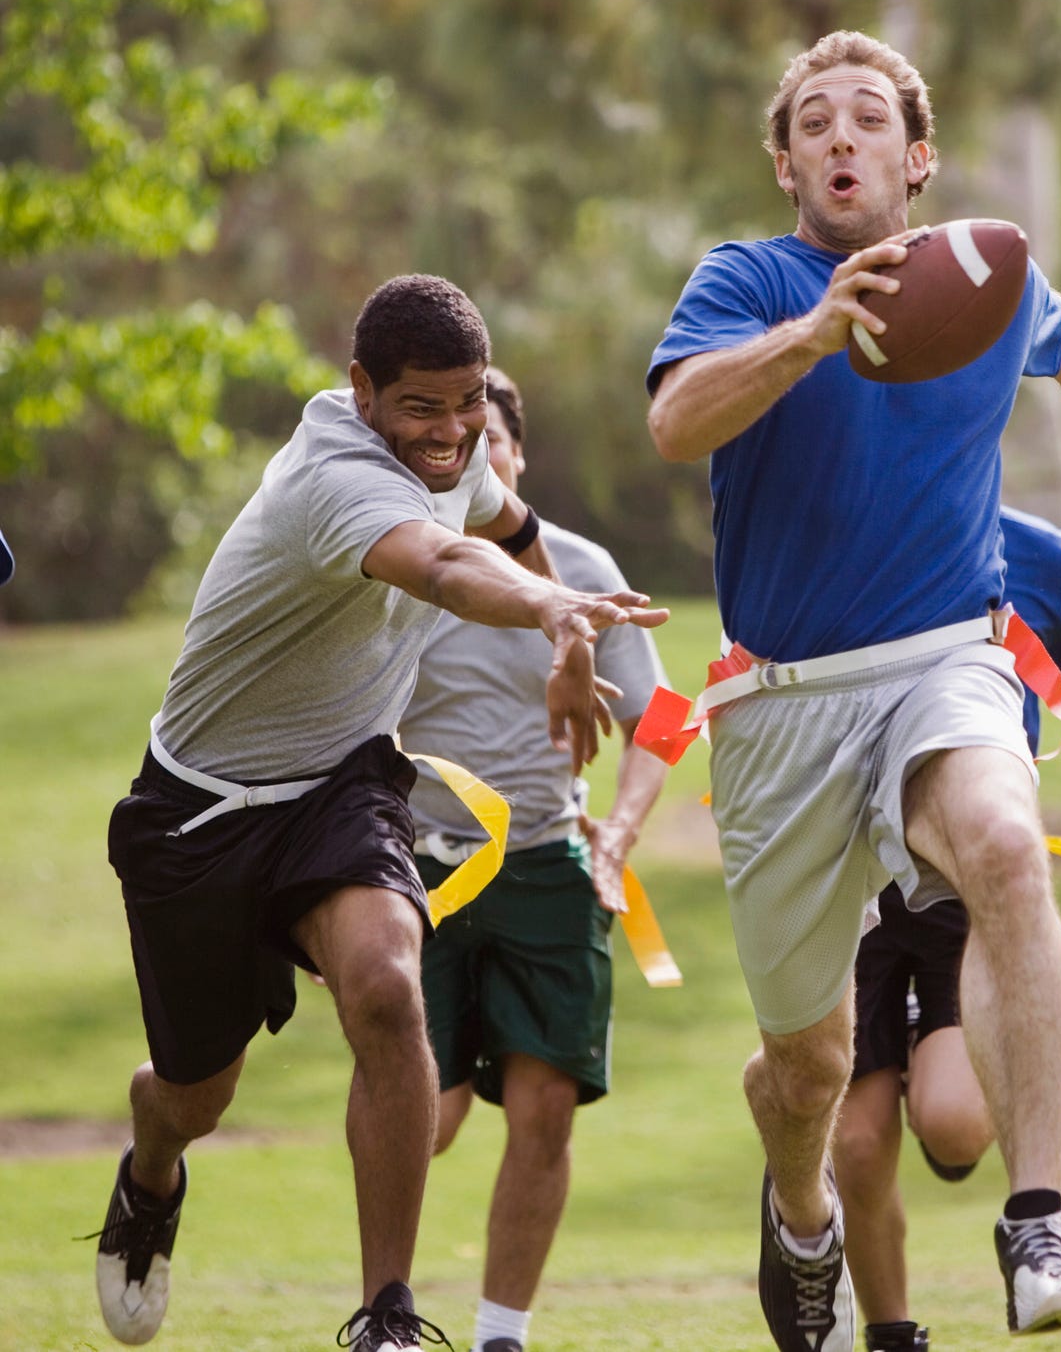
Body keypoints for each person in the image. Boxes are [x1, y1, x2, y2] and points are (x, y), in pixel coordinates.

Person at [644, 30, 1061, 1349]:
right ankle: (799, 1211)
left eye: (867, 118)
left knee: (1004, 848)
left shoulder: (986, 277)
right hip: (778, 706)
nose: (840, 137)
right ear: (785, 166)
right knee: (808, 1065)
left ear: (915, 155)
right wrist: (810, 337)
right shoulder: (746, 281)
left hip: (943, 657)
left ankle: (1040, 1216)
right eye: (813, 123)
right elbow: (675, 422)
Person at [93, 275, 667, 1352]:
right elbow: (448, 564)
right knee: (194, 1092)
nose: (451, 435)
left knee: (389, 986)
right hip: (199, 811)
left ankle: (387, 1313)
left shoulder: (456, 458)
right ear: (362, 390)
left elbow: (508, 520)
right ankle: (151, 1171)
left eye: (467, 408)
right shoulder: (336, 481)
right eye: (421, 409)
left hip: (339, 787)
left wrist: (566, 643)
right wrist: (552, 605)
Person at [398, 367, 670, 1352]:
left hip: (553, 863)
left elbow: (665, 716)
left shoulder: (583, 568)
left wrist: (623, 831)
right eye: (454, 444)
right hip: (420, 870)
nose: (474, 457)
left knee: (544, 1106)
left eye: (491, 442)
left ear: (515, 457)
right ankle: (388, 1311)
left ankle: (499, 1334)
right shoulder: (403, 565)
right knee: (424, 1118)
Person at [834, 505, 1061, 1352]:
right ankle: (891, 1332)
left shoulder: (1048, 557)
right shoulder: (849, 527)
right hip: (852, 872)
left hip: (965, 876)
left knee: (957, 1125)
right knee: (858, 1144)